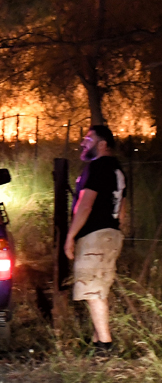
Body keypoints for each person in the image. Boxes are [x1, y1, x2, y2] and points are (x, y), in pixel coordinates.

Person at [64, 125, 126, 356]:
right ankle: (96, 341)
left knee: (92, 292)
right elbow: (122, 211)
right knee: (98, 290)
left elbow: (85, 204)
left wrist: (70, 236)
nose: (83, 143)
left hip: (94, 236)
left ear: (102, 144)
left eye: (88, 139)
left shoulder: (98, 166)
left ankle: (106, 347)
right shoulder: (117, 169)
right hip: (112, 234)